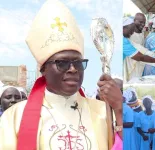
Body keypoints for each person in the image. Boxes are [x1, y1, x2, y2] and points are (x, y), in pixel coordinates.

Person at [0, 0, 122, 150]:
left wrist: (119, 109)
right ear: (43, 69)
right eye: (62, 63)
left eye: (78, 63)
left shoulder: (103, 112)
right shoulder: (14, 117)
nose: (72, 69)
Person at [123, 17, 155, 82]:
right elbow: (139, 56)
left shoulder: (126, 39)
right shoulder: (123, 41)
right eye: (131, 29)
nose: (132, 32)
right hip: (153, 67)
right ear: (124, 27)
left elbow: (144, 50)